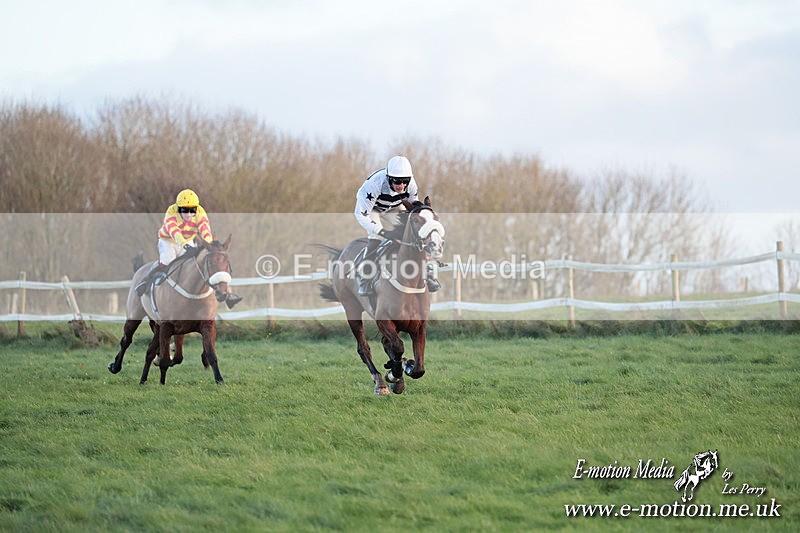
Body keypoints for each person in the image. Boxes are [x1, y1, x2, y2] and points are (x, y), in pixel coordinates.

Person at [135, 189, 242, 308]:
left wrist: (209, 245)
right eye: (185, 211)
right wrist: (185, 245)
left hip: (188, 240)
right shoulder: (171, 212)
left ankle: (223, 294)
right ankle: (145, 280)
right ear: (179, 208)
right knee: (167, 260)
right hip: (168, 240)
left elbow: (205, 230)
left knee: (196, 265)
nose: (189, 214)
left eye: (192, 211)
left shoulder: (200, 212)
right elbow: (175, 232)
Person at [353, 155, 440, 295]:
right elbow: (360, 215)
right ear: (388, 178)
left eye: (405, 181)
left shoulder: (411, 185)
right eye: (397, 181)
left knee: (414, 231)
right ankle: (365, 278)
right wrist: (382, 232)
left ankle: (427, 272)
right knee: (376, 237)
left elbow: (413, 208)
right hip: (373, 209)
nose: (402, 185)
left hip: (394, 207)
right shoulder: (373, 185)